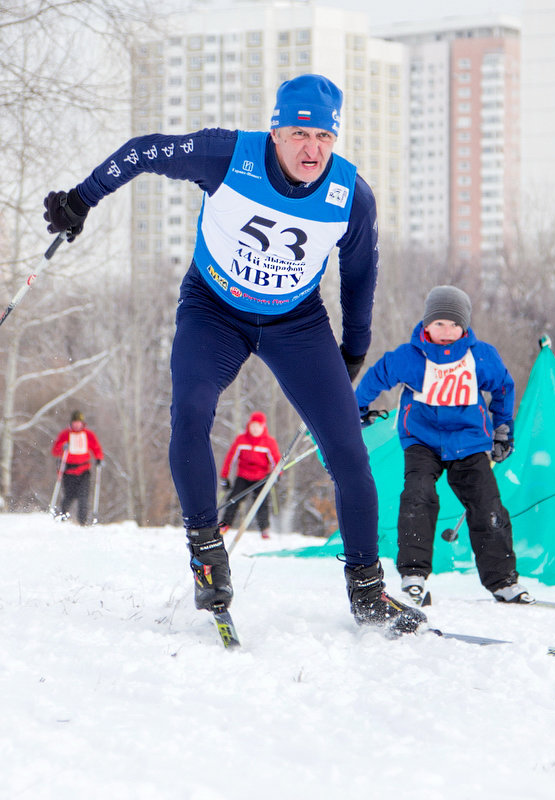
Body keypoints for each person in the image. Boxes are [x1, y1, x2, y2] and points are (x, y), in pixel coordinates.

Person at [43, 74, 424, 635]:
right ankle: (206, 557)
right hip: (213, 311)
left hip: (296, 323)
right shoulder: (227, 155)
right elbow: (144, 151)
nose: (312, 149)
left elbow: (360, 275)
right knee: (191, 413)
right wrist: (81, 199)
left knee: (348, 451)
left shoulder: (351, 195)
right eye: (299, 133)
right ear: (276, 130)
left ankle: (367, 590)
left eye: (323, 136)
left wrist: (354, 350)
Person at [354, 285, 530, 606]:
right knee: (418, 495)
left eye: (453, 324)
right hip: (422, 440)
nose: (446, 331)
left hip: (469, 441)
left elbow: (503, 387)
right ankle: (414, 576)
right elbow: (377, 377)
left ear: (464, 327)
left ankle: (504, 581)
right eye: (439, 324)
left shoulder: (480, 356)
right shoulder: (411, 356)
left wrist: (503, 429)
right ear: (426, 325)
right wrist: (358, 409)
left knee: (488, 506)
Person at [219, 411, 281, 539]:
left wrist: (277, 474)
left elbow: (276, 460)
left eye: (258, 426)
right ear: (249, 425)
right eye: (252, 426)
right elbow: (230, 458)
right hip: (243, 476)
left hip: (261, 477)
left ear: (263, 427)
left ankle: (264, 529)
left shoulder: (269, 442)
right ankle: (224, 525)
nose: (255, 429)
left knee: (261, 502)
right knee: (233, 499)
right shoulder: (241, 440)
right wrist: (224, 476)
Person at [50, 410, 105, 526]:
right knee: (68, 496)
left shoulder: (88, 435)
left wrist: (99, 458)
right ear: (71, 423)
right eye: (75, 423)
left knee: (83, 498)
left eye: (79, 423)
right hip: (68, 471)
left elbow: (96, 448)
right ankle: (62, 518)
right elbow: (55, 451)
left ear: (82, 423)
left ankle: (82, 522)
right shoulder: (65, 435)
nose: (77, 425)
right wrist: (62, 447)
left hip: (84, 471)